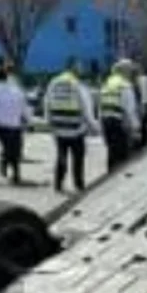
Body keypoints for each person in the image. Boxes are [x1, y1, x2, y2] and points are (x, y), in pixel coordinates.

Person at [42, 57, 98, 192]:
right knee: (78, 158)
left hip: (59, 128)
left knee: (61, 156)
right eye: (79, 66)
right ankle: (79, 185)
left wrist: (49, 122)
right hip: (75, 129)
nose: (81, 69)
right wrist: (95, 128)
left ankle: (58, 183)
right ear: (73, 68)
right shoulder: (77, 84)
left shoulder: (54, 82)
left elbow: (46, 103)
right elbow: (86, 109)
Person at [99, 59, 141, 171]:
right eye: (130, 70)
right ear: (125, 71)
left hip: (106, 123)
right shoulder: (124, 85)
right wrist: (136, 129)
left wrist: (102, 130)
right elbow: (130, 110)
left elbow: (100, 108)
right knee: (122, 159)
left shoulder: (106, 85)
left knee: (111, 155)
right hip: (119, 125)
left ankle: (110, 178)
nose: (131, 73)